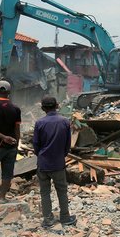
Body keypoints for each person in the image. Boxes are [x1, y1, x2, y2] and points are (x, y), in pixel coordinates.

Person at [33, 96, 77, 228]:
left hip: (43, 164)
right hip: (58, 163)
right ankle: (65, 217)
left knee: (45, 192)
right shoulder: (64, 121)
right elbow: (67, 144)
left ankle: (48, 219)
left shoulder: (39, 123)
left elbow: (36, 144)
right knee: (62, 190)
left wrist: (41, 155)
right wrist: (61, 155)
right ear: (57, 106)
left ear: (43, 108)